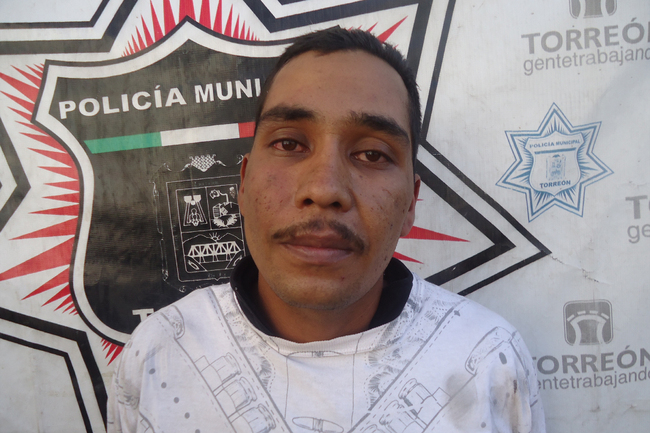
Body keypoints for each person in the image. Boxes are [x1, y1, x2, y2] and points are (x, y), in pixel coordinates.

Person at [108, 27, 545, 433]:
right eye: (289, 144)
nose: (324, 189)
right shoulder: (159, 353)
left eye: (372, 154)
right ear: (242, 184)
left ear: (411, 203)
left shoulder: (487, 359)